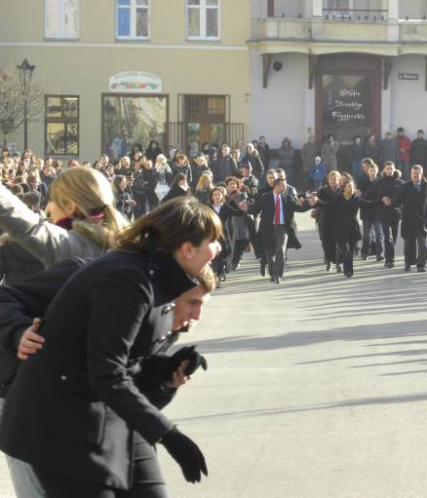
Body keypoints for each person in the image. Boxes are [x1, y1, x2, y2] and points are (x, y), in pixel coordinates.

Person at [0, 199, 219, 497]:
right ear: (187, 248)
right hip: (60, 424)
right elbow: (108, 374)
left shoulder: (160, 285)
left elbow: (127, 371)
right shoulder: (126, 278)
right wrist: (169, 435)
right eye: (212, 241)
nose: (218, 249)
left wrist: (163, 375)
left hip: (110, 416)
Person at [256, 176, 312, 284]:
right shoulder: (265, 197)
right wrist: (243, 209)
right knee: (270, 254)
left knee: (280, 250)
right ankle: (272, 273)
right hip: (268, 229)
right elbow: (255, 209)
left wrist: (311, 205)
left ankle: (278, 275)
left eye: (285, 186)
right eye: (282, 186)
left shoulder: (288, 198)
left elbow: (298, 208)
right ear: (276, 186)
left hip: (282, 228)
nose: (284, 188)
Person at [369, 162, 404, 269]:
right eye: (387, 168)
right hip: (383, 214)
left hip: (395, 214)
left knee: (393, 238)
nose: (389, 170)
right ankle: (390, 260)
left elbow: (403, 198)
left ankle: (389, 257)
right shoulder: (379, 182)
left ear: (394, 170)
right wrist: (381, 199)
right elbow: (372, 195)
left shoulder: (399, 182)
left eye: (391, 168)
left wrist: (393, 202)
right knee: (387, 237)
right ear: (384, 170)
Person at [335, 174, 362, 278]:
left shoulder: (357, 198)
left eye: (352, 186)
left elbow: (368, 203)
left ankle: (349, 270)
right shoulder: (338, 198)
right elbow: (328, 205)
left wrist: (381, 201)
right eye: (349, 186)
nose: (351, 188)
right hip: (341, 229)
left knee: (350, 251)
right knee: (345, 250)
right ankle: (347, 271)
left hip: (353, 228)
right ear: (344, 188)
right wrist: (316, 202)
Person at [357, 162, 383, 261]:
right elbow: (359, 195)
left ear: (377, 171)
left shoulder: (380, 181)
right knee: (366, 234)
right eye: (370, 171)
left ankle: (379, 253)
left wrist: (373, 200)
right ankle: (364, 252)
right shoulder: (362, 181)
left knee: (379, 233)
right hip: (366, 210)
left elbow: (381, 195)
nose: (372, 172)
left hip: (377, 210)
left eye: (374, 170)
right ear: (368, 172)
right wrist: (365, 199)